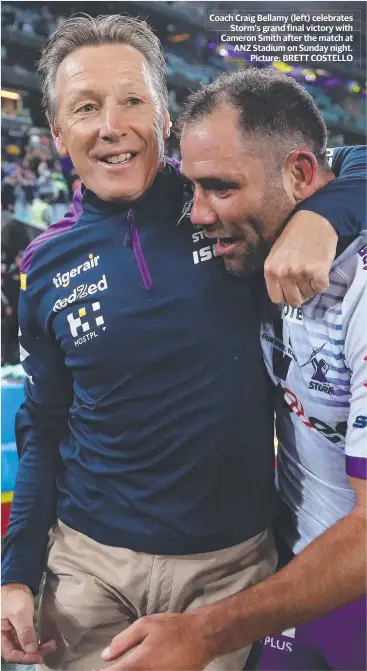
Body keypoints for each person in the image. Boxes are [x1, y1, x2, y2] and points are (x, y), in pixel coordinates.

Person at [0, 15, 363, 671]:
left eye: (132, 100)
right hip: (91, 567)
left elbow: (348, 162)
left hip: (228, 568)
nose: (112, 125)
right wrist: (17, 571)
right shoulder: (43, 264)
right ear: (56, 132)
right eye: (85, 107)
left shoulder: (231, 197)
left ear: (163, 114)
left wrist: (321, 215)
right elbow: (43, 426)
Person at [97, 70, 366, 671]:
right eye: (193, 187)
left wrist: (205, 633)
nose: (197, 214)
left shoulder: (360, 291)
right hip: (288, 575)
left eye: (220, 187)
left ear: (299, 174)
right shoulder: (256, 247)